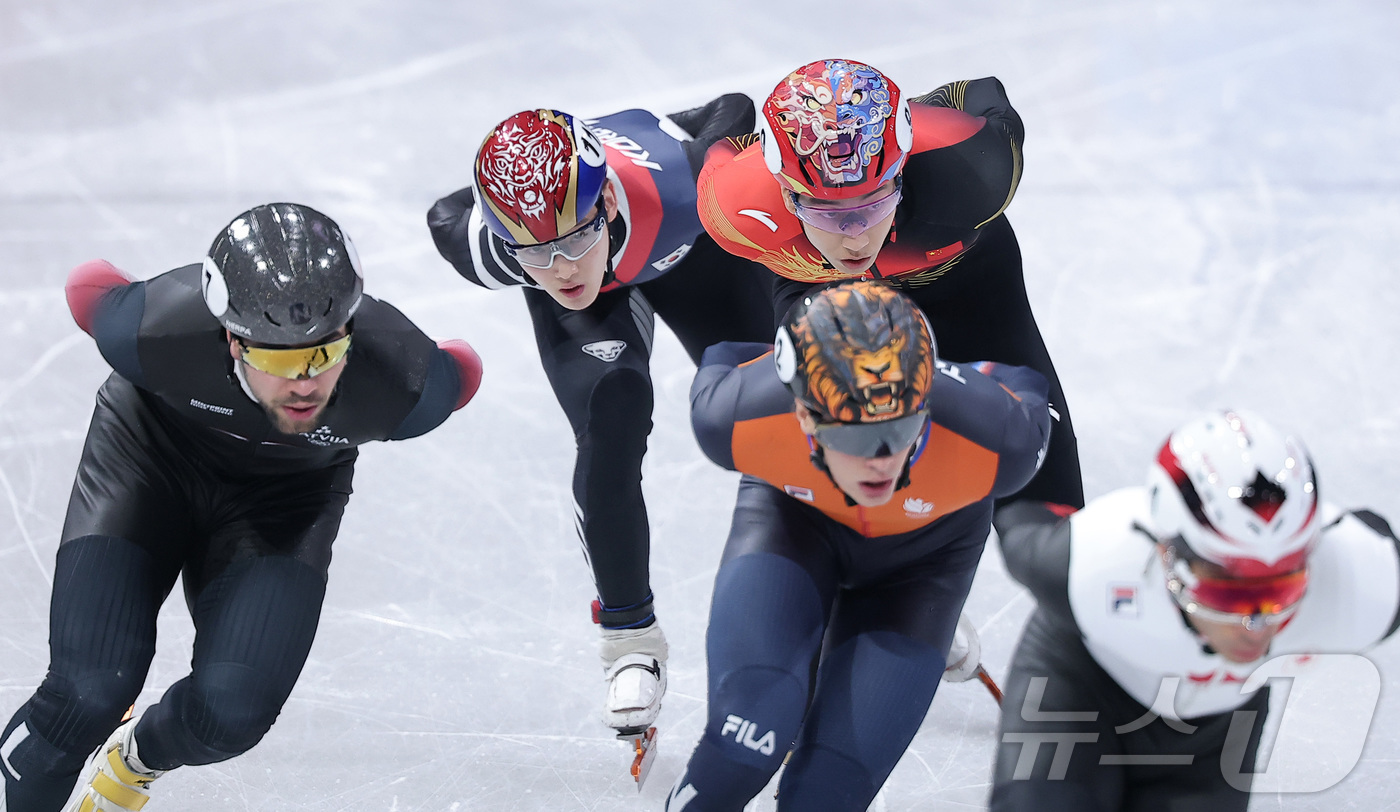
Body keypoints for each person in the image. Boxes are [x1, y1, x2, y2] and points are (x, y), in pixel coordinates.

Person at [0, 203, 483, 812]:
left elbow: (459, 372)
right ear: (231, 339)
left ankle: (136, 759)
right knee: (88, 691)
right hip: (148, 461)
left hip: (286, 499)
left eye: (325, 355)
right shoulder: (154, 330)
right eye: (280, 360)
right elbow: (90, 288)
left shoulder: (405, 386)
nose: (305, 383)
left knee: (231, 714)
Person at [427, 98, 773, 735]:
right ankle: (629, 640)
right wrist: (531, 221)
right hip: (602, 295)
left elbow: (736, 108)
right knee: (611, 411)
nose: (559, 269)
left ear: (606, 204)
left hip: (687, 248)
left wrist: (689, 140)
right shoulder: (495, 250)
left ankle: (861, 568)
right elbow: (446, 212)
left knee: (777, 407)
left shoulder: (685, 186)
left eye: (573, 239)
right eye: (533, 253)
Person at [666, 281, 1051, 810]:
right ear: (802, 414)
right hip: (796, 527)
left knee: (825, 795)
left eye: (903, 429)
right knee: (743, 748)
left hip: (923, 568)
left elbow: (1022, 382)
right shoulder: (729, 418)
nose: (881, 459)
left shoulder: (1001, 440)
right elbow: (729, 355)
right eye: (851, 437)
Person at [697, 58, 1083, 510]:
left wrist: (923, 110)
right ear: (784, 192)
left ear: (902, 170)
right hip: (825, 290)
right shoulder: (734, 207)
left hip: (962, 277)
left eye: (876, 200)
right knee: (831, 457)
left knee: (1039, 461)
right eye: (827, 212)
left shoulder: (973, 168)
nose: (856, 235)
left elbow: (984, 92)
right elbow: (723, 147)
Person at [989, 409, 1400, 811]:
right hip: (1078, 690)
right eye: (1228, 595)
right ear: (1167, 553)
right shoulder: (1088, 566)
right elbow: (1019, 500)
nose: (1256, 624)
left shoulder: (1363, 583)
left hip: (1216, 729)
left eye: (1283, 591)